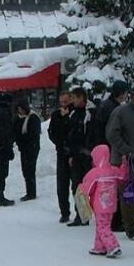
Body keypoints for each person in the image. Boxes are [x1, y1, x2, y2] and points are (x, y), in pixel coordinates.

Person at [105, 84, 134, 239]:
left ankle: (131, 223)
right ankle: (130, 226)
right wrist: (126, 150)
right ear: (133, 97)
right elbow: (111, 134)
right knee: (127, 193)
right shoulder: (120, 112)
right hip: (122, 161)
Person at [80, 144, 127, 259]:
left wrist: (82, 189)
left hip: (100, 205)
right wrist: (124, 164)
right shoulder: (113, 170)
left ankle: (113, 246)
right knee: (103, 225)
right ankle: (99, 247)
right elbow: (122, 176)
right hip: (111, 204)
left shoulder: (95, 173)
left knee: (102, 227)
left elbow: (87, 188)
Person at [65, 87, 101, 226]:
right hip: (77, 155)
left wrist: (91, 153)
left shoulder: (91, 113)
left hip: (88, 156)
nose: (72, 101)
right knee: (77, 186)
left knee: (91, 186)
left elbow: (93, 135)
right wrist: (71, 153)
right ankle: (82, 215)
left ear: (81, 98)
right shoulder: (74, 114)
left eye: (74, 98)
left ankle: (99, 213)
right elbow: (71, 135)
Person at [48, 91, 73, 223]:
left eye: (66, 102)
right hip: (62, 153)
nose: (63, 104)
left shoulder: (75, 113)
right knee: (62, 186)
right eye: (61, 102)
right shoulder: (56, 115)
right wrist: (59, 143)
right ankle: (64, 212)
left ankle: (82, 213)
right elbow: (52, 132)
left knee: (78, 186)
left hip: (75, 154)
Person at [13, 99, 41, 201]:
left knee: (30, 170)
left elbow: (34, 134)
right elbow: (15, 131)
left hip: (31, 147)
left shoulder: (33, 118)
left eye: (21, 109)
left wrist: (22, 139)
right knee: (25, 170)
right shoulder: (18, 118)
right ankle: (29, 191)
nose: (20, 111)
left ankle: (31, 192)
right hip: (23, 148)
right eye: (18, 109)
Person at [0, 94, 16, 206]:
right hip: (2, 146)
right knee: (2, 171)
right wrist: (8, 147)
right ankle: (0, 197)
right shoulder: (4, 113)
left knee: (0, 170)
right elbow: (5, 132)